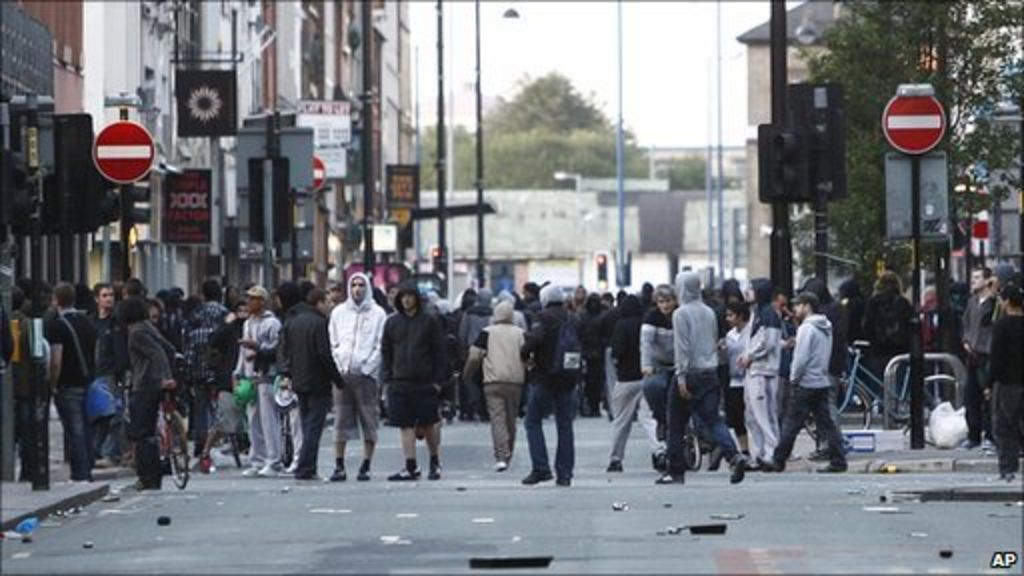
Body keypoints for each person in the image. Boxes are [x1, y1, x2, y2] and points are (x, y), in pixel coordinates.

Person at [659, 272, 747, 485]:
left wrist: (680, 377)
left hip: (690, 374)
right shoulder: (709, 312)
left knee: (676, 423)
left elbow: (682, 348)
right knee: (713, 419)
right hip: (710, 373)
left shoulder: (680, 314)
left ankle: (676, 470)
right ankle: (733, 455)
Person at [770, 292, 847, 473]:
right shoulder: (826, 327)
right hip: (821, 380)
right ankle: (838, 460)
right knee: (827, 424)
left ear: (807, 306)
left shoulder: (806, 329)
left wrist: (794, 378)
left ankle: (778, 460)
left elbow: (801, 358)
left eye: (798, 305)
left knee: (791, 423)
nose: (795, 309)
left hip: (805, 382)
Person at [381, 282, 448, 481]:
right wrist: (388, 377)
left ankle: (434, 461)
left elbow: (439, 352)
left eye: (410, 296)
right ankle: (410, 465)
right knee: (405, 425)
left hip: (425, 381)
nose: (407, 300)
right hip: (400, 381)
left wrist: (438, 381)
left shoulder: (429, 321)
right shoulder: (392, 323)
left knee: (429, 424)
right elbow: (386, 351)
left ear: (417, 298)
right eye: (403, 297)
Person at [328, 273, 387, 482]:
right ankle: (339, 464)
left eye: (361, 285)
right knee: (340, 420)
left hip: (366, 376)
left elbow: (380, 345)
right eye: (354, 285)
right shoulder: (338, 313)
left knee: (369, 419)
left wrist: (368, 367)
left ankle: (366, 464)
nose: (357, 289)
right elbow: (333, 342)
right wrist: (338, 365)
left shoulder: (378, 314)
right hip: (343, 374)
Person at [521, 285, 580, 486]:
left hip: (545, 376)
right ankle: (565, 473)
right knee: (565, 425)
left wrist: (525, 355)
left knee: (532, 421)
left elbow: (532, 342)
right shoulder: (572, 317)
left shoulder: (543, 317)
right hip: (569, 378)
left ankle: (541, 468)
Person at [280, 288, 339, 480]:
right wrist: (337, 379)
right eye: (327, 302)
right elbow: (324, 354)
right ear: (319, 303)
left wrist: (288, 374)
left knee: (306, 425)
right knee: (314, 427)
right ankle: (306, 467)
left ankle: (306, 466)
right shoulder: (319, 323)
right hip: (318, 381)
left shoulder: (294, 321)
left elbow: (286, 351)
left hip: (299, 380)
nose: (330, 306)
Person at [463, 300, 527, 471]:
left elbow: (475, 356)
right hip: (515, 381)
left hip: (492, 381)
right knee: (511, 419)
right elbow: (528, 356)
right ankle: (509, 453)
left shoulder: (487, 333)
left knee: (497, 418)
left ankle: (501, 455)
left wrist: (467, 375)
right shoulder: (520, 333)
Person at [46, 282, 99, 483]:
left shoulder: (57, 326)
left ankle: (80, 473)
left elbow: (56, 359)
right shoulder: (87, 322)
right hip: (88, 381)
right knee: (85, 427)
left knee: (74, 429)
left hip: (68, 384)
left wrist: (52, 382)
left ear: (56, 300)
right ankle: (88, 467)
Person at [123, 296, 178, 490]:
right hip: (154, 386)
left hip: (144, 385)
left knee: (142, 433)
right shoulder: (148, 327)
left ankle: (147, 476)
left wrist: (164, 377)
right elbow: (169, 349)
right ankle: (152, 475)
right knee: (149, 433)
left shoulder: (136, 332)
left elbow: (158, 353)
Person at [233, 285, 284, 478]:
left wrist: (258, 347)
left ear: (262, 301)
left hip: (266, 376)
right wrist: (238, 372)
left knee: (268, 420)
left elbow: (276, 350)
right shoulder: (247, 323)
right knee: (252, 420)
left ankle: (273, 459)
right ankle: (257, 459)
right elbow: (242, 351)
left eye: (253, 299)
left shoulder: (272, 324)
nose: (248, 302)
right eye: (248, 298)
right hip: (249, 376)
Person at [607, 295, 660, 473]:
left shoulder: (621, 325)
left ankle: (616, 459)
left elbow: (616, 352)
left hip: (625, 379)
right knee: (649, 418)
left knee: (621, 421)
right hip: (647, 377)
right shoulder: (646, 324)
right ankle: (658, 451)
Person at [199, 299, 250, 473]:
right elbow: (213, 341)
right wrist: (226, 324)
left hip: (251, 378)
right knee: (224, 422)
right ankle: (205, 453)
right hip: (228, 380)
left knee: (254, 420)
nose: (243, 313)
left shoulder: (254, 326)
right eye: (240, 310)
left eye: (246, 309)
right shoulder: (229, 329)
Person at [739, 278, 782, 471]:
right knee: (752, 414)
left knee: (764, 414)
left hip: (763, 371)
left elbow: (768, 341)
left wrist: (750, 355)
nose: (747, 292)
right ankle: (759, 453)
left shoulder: (767, 314)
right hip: (755, 369)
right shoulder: (759, 313)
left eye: (751, 289)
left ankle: (772, 452)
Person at [182, 280, 228, 460]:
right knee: (219, 407)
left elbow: (188, 345)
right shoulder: (224, 315)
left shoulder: (196, 315)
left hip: (198, 369)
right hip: (219, 370)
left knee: (200, 408)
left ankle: (200, 442)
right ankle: (216, 439)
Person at [988, 283, 1023, 481]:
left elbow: (996, 357)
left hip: (1007, 382)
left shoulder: (1001, 325)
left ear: (1007, 302)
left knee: (1005, 426)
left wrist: (989, 383)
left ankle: (1008, 468)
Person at [961, 267, 998, 451]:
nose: (973, 280)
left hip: (987, 355)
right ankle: (973, 435)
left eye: (977, 277)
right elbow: (966, 324)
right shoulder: (972, 302)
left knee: (989, 398)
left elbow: (990, 323)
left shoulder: (994, 303)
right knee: (971, 396)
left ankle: (990, 436)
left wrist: (993, 293)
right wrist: (966, 341)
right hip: (972, 355)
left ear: (987, 280)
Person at [641, 284, 676, 472]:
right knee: (652, 387)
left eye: (668, 301)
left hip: (679, 363)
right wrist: (646, 365)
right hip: (659, 364)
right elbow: (646, 343)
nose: (665, 305)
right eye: (661, 302)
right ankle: (661, 419)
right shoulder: (651, 317)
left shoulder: (680, 315)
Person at [89, 283, 124, 468]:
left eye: (111, 295)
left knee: (114, 417)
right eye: (104, 295)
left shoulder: (117, 322)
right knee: (97, 416)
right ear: (97, 299)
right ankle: (96, 452)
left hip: (112, 375)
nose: (109, 298)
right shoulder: (91, 321)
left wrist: (120, 371)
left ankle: (111, 454)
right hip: (95, 375)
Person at [862, 271, 913, 392]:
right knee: (897, 383)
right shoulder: (903, 303)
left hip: (878, 351)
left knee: (880, 384)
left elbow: (867, 326)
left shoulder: (873, 302)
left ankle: (883, 408)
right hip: (899, 350)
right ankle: (896, 407)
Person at [458, 288, 494, 422]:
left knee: (470, 380)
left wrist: (463, 349)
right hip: (489, 352)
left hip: (472, 351)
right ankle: (484, 411)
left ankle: (470, 410)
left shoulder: (469, 313)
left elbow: (462, 333)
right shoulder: (493, 313)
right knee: (486, 381)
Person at [723, 301, 750, 457]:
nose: (728, 318)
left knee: (752, 417)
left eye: (731, 315)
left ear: (740, 316)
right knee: (737, 417)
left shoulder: (750, 332)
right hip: (734, 380)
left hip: (749, 379)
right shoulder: (730, 335)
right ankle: (744, 450)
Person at [579, 293, 607, 418]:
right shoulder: (603, 316)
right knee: (596, 382)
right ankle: (593, 406)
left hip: (589, 352)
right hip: (597, 353)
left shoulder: (583, 316)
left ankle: (590, 406)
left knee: (590, 382)